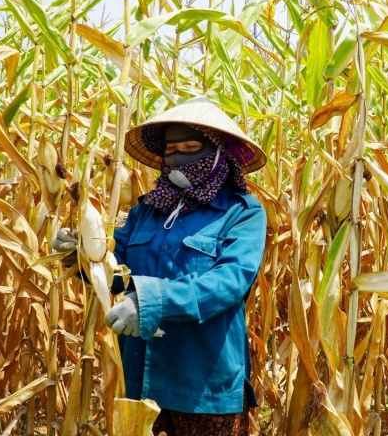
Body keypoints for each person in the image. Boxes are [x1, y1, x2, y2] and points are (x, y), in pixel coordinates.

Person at [54, 96, 267, 435]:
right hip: (139, 380)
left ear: (218, 153)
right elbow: (114, 270)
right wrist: (83, 255)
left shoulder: (242, 213)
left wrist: (149, 301)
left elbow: (229, 283)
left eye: (191, 147)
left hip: (203, 383)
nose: (178, 157)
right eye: (171, 150)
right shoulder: (147, 211)